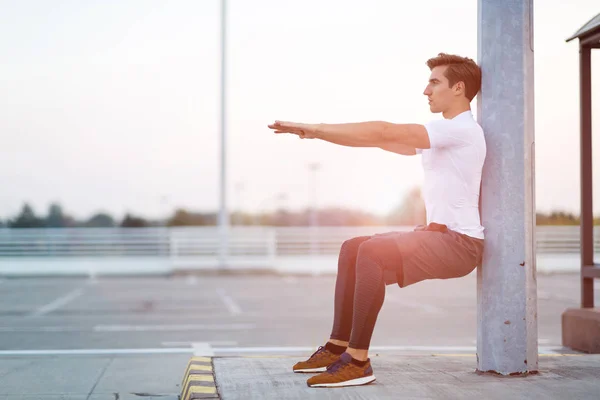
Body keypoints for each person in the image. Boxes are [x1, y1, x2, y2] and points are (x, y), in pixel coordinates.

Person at [267, 53, 486, 388]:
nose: (426, 90)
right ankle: (338, 346)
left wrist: (316, 127)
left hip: (460, 244)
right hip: (439, 236)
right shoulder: (441, 136)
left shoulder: (461, 131)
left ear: (459, 88)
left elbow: (383, 130)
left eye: (434, 82)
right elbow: (378, 138)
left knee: (373, 251)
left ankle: (357, 361)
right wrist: (317, 134)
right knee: (354, 247)